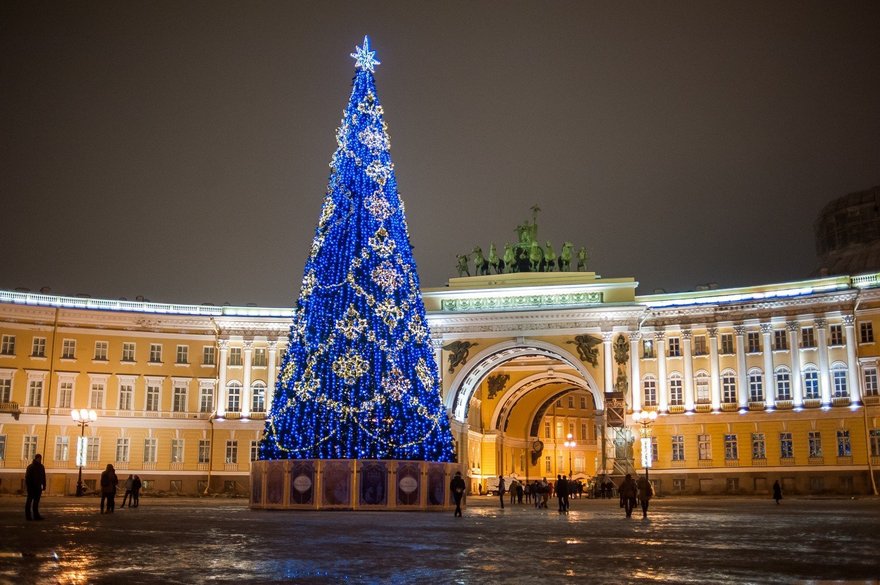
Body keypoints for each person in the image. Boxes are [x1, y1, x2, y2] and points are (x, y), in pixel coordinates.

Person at [25, 453, 46, 521]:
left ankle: (36, 515)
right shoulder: (31, 467)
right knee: (29, 502)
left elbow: (43, 477)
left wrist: (44, 485)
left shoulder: (41, 467)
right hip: (32, 488)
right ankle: (28, 516)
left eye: (40, 459)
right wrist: (29, 487)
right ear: (36, 458)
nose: (40, 460)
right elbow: (27, 478)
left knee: (36, 502)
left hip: (38, 487)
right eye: (39, 458)